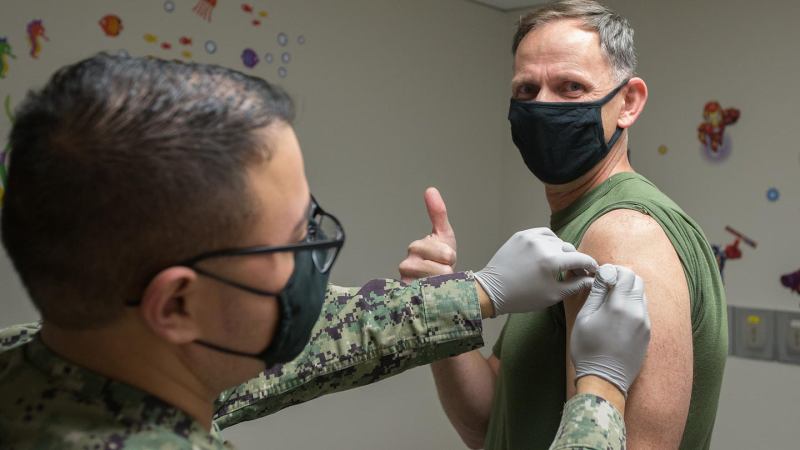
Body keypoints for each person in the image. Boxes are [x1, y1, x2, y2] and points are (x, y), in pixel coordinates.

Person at [0, 54, 648, 449]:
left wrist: (480, 292)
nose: (315, 252)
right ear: (176, 305)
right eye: (292, 238)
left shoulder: (52, 362)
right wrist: (601, 394)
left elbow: (306, 345)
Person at [423, 1, 727, 449]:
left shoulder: (622, 233)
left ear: (628, 102)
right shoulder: (569, 230)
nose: (543, 106)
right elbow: (490, 422)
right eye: (527, 91)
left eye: (570, 87)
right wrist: (442, 303)